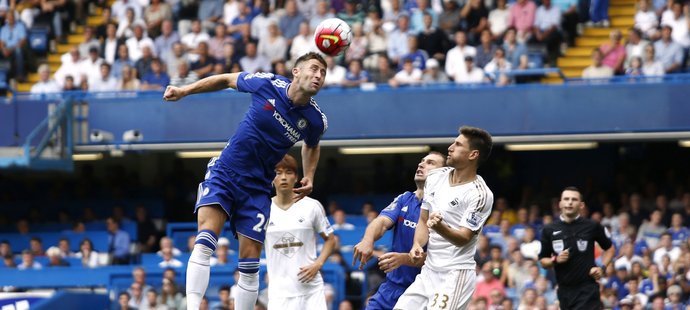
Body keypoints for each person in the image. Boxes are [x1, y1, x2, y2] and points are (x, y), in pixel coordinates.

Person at [162, 51, 328, 310]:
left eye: (323, 73)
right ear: (296, 71)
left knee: (250, 266)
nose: (318, 76)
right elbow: (226, 80)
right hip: (226, 172)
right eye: (314, 69)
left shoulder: (315, 120)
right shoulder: (267, 83)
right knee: (205, 240)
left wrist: (309, 175)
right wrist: (184, 91)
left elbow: (312, 145)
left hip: (258, 189)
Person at [394, 126, 494, 310]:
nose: (450, 147)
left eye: (457, 144)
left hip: (455, 274)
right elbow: (424, 220)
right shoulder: (434, 178)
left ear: (473, 154)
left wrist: (440, 227)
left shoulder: (480, 195)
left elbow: (464, 239)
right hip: (429, 271)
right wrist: (417, 244)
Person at [352, 151, 446, 309]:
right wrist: (368, 240)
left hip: (423, 294)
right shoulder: (405, 198)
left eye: (430, 163)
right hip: (391, 289)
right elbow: (381, 222)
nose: (421, 164)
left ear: (443, 174)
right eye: (422, 161)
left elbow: (441, 259)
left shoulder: (444, 210)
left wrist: (404, 259)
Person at [265, 154, 336, 309]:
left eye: (289, 172)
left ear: (296, 177)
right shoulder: (263, 210)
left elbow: (331, 239)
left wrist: (318, 264)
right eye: (278, 173)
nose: (283, 177)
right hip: (279, 293)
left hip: (311, 290)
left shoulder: (312, 206)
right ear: (271, 177)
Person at [538, 186, 616, 310]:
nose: (569, 202)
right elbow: (542, 260)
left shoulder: (592, 226)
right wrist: (555, 260)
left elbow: (610, 249)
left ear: (581, 205)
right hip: (564, 291)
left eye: (574, 199)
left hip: (587, 289)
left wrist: (602, 268)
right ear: (560, 204)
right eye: (566, 199)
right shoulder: (549, 229)